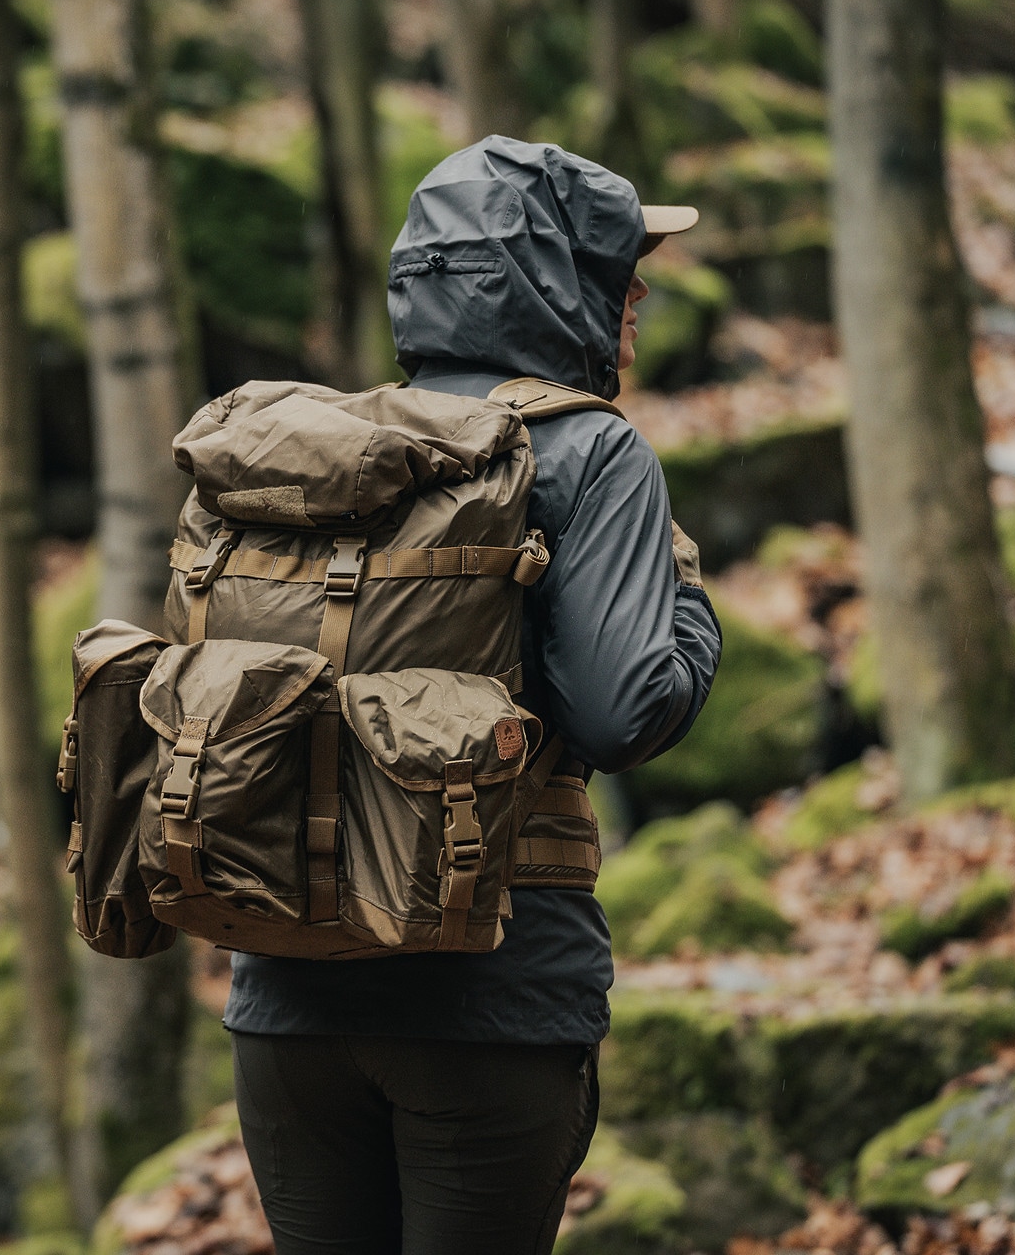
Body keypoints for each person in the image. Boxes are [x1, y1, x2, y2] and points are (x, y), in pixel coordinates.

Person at [224, 137, 725, 1255]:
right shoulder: (593, 451)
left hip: (285, 996)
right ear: (555, 282)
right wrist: (688, 600)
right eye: (618, 262)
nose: (639, 290)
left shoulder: (329, 443)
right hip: (490, 995)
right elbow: (625, 709)